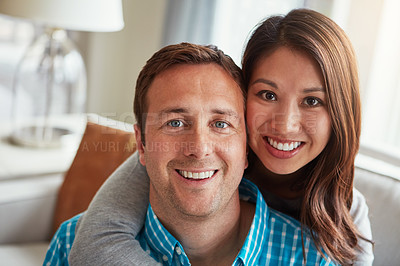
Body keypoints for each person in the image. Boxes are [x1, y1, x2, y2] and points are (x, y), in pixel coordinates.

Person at [70, 8, 374, 265]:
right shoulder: (180, 159)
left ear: (341, 113)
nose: (285, 125)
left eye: (312, 101)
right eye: (267, 94)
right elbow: (94, 241)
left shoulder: (346, 212)